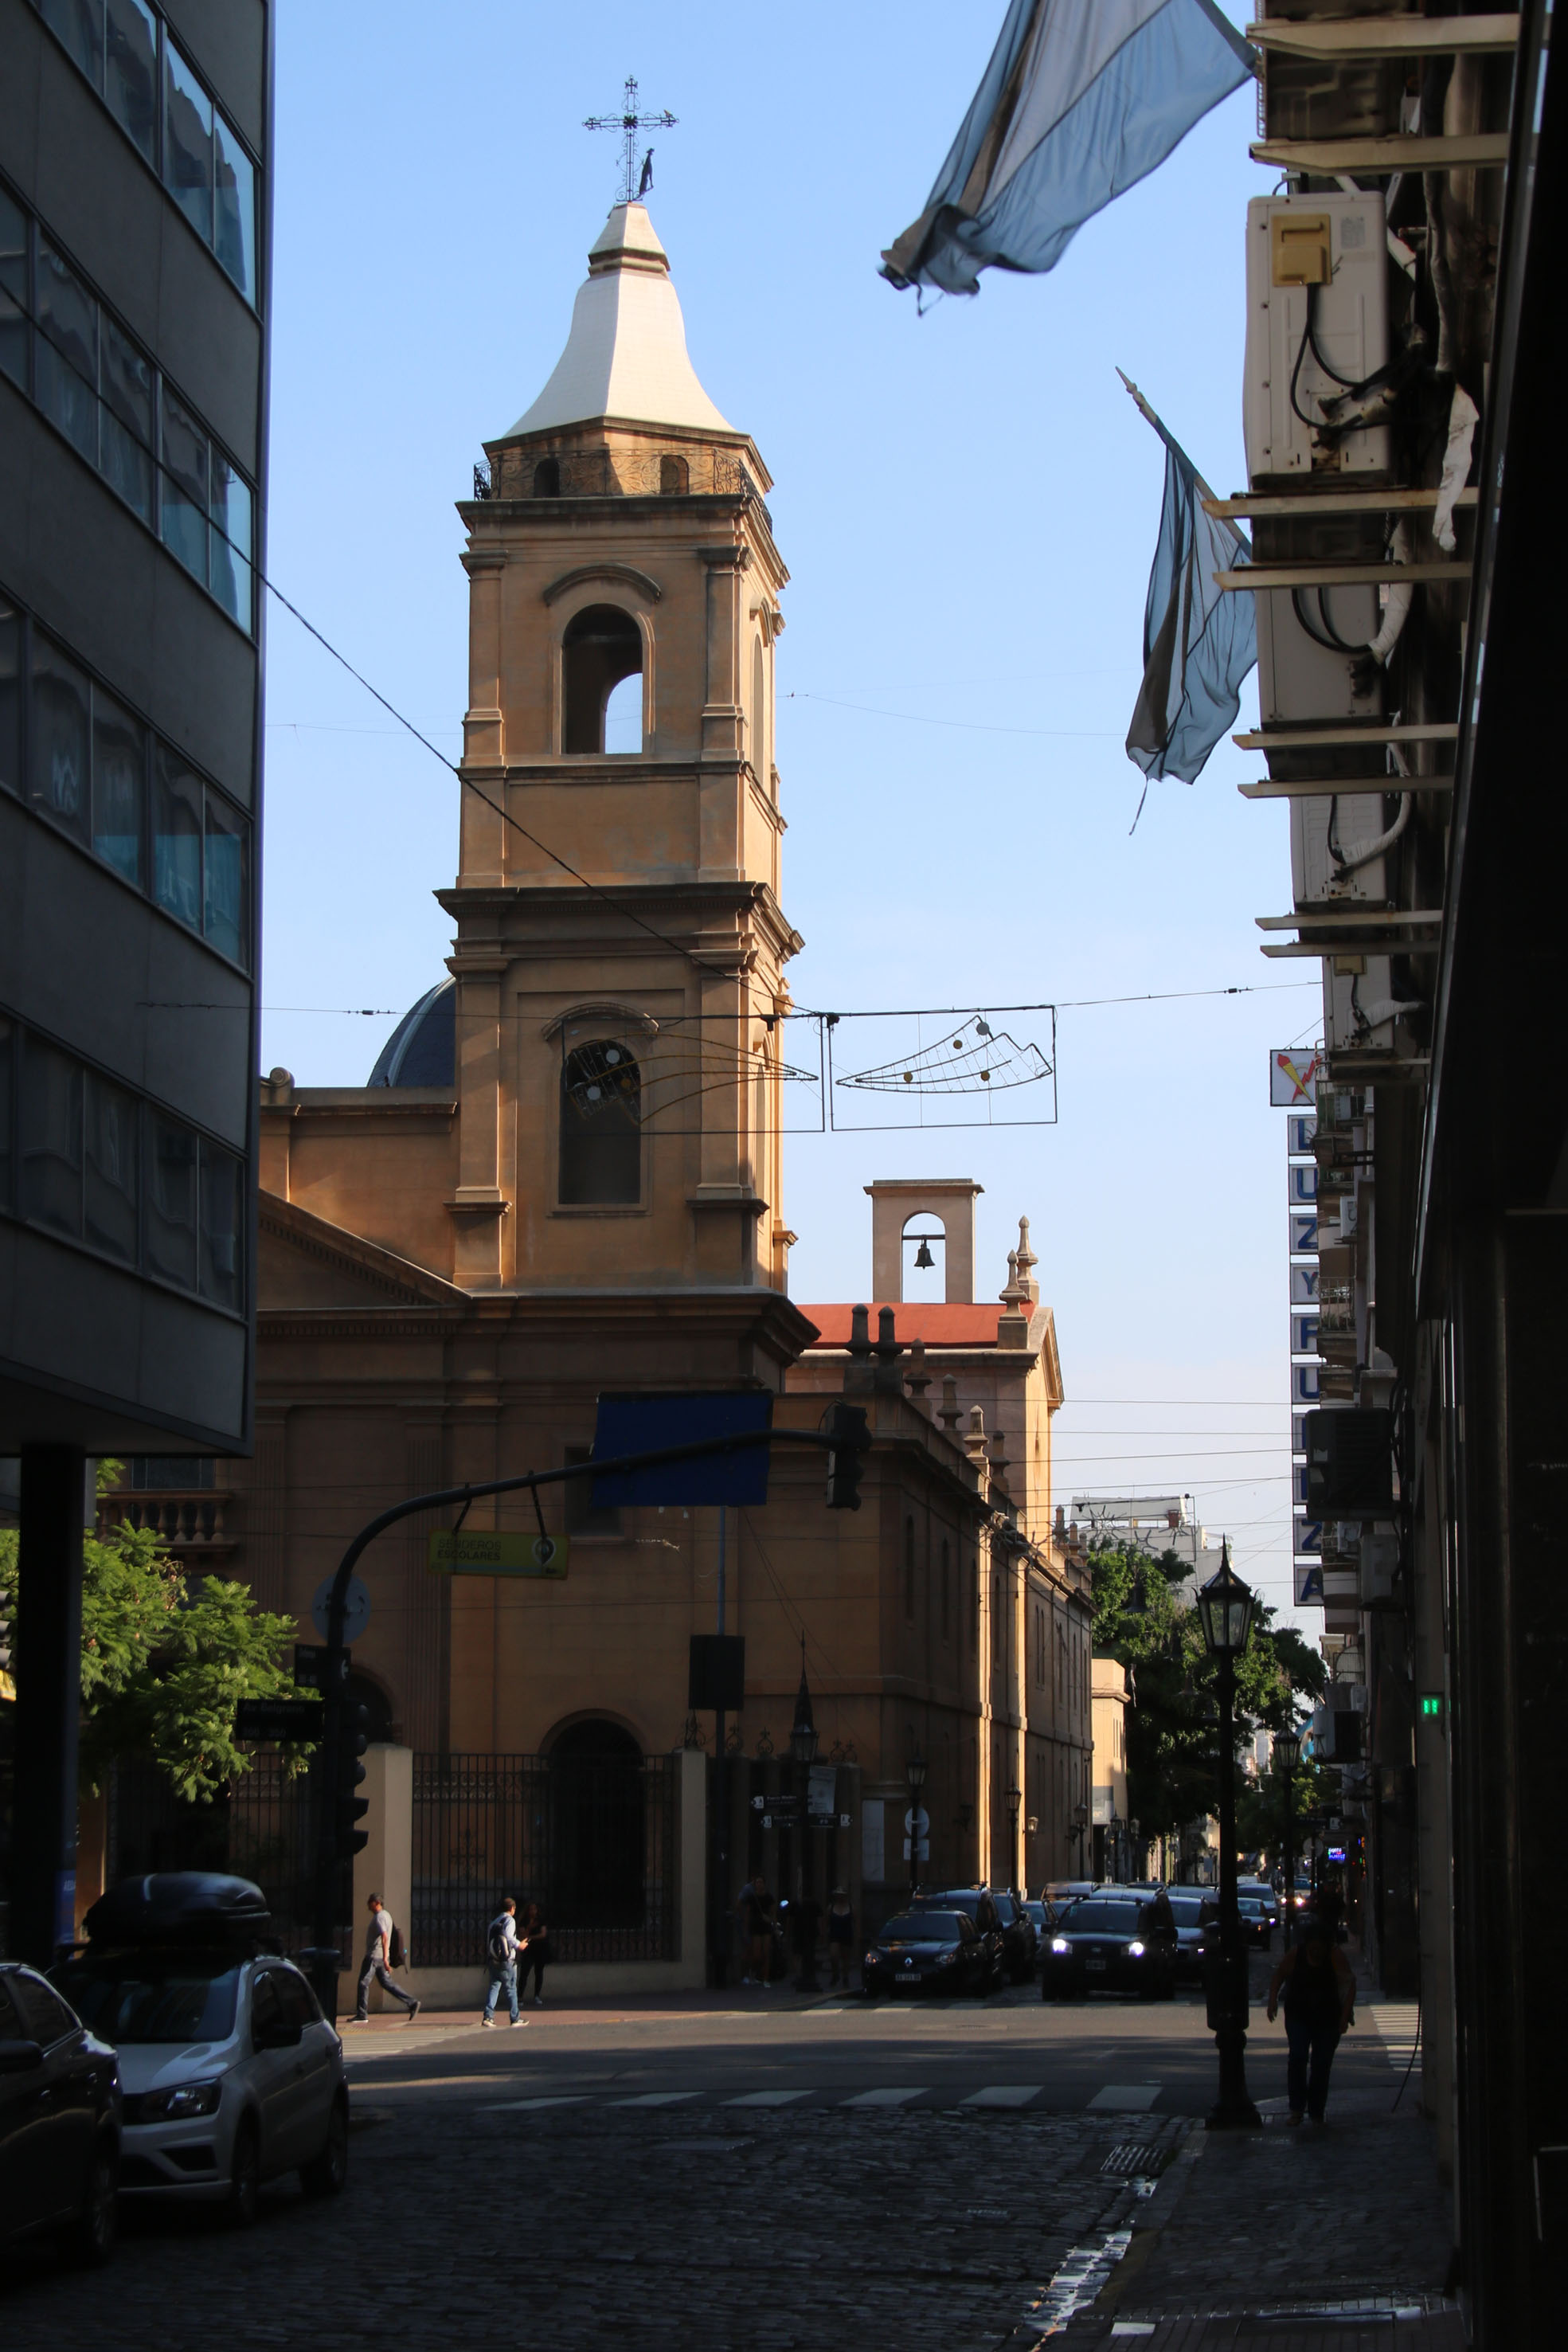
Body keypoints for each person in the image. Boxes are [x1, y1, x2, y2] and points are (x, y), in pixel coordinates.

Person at [1267, 1911, 1355, 2122]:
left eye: (1319, 1947)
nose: (1315, 1951)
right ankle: (1297, 2108)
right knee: (1297, 2057)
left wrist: (1344, 2017)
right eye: (1312, 1947)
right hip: (1298, 2015)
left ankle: (1316, 2110)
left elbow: (1349, 1986)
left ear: (1327, 1946)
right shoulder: (1296, 1954)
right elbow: (1279, 1974)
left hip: (1328, 2017)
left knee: (1321, 2063)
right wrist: (1272, 2000)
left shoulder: (1335, 1957)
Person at [354, 1892, 420, 2023]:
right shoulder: (387, 1915)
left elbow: (384, 1937)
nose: (368, 1905)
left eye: (371, 1902)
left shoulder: (380, 1917)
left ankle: (362, 2014)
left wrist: (385, 1959)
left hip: (374, 1957)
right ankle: (412, 2002)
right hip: (380, 1957)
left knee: (363, 1983)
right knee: (387, 1983)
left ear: (377, 1903)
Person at [481, 1895, 530, 2028]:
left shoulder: (494, 1922)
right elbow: (508, 1937)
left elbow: (489, 1941)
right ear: (512, 1908)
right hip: (507, 1960)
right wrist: (519, 1945)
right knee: (511, 1989)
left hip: (493, 1959)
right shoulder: (510, 1920)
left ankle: (488, 2017)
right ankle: (515, 2018)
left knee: (494, 1986)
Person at [739, 1877, 773, 1987]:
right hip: (755, 1926)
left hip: (766, 1926)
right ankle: (754, 1973)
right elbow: (747, 1913)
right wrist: (746, 1928)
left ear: (764, 1884)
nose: (759, 1884)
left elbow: (773, 1912)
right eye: (757, 1882)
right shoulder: (751, 1897)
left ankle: (766, 1978)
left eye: (761, 1882)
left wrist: (772, 1923)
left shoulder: (769, 1897)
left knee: (766, 1952)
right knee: (757, 1954)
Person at [518, 1901, 551, 2006]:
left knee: (539, 1972)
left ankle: (537, 1995)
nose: (533, 1911)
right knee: (524, 1973)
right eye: (531, 1909)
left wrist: (531, 1937)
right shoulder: (524, 1921)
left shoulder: (541, 1920)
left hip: (540, 1949)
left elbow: (543, 1934)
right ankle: (520, 1997)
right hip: (528, 1950)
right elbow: (523, 1935)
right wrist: (530, 1927)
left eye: (535, 1909)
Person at [826, 1887, 854, 1988]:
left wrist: (856, 1936)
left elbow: (855, 1922)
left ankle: (845, 1977)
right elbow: (826, 1921)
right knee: (833, 1955)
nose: (840, 1897)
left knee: (846, 1958)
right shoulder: (831, 1907)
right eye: (838, 1895)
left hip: (847, 1933)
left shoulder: (851, 1907)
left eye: (842, 1895)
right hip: (834, 1934)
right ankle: (835, 1973)